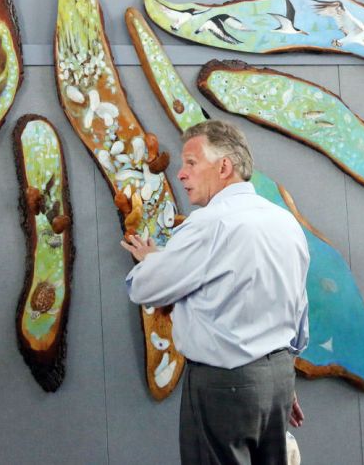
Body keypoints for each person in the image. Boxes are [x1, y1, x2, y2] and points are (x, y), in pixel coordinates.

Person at [121, 120, 310, 465]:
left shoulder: (209, 224)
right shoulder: (285, 222)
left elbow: (145, 288)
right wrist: (281, 377)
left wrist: (151, 261)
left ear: (224, 166)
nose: (180, 174)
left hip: (225, 385)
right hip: (279, 378)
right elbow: (298, 310)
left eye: (191, 163)